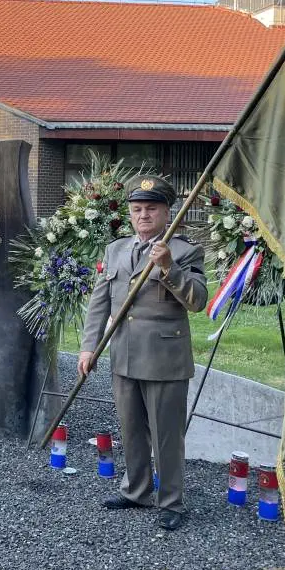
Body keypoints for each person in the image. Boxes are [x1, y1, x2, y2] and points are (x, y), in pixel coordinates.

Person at [77, 176, 207, 531]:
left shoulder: (184, 251)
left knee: (166, 435)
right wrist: (89, 347)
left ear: (167, 212)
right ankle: (136, 491)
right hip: (123, 355)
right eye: (137, 209)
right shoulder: (116, 250)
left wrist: (169, 267)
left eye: (151, 208)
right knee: (131, 429)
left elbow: (197, 301)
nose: (143, 215)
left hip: (165, 358)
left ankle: (171, 501)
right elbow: (99, 302)